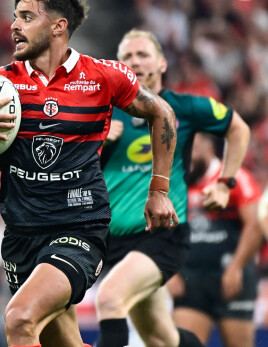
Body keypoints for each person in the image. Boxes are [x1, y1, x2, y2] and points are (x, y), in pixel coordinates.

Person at [0, 0, 178, 347]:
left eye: (26, 17)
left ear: (58, 26)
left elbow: (162, 113)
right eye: (15, 17)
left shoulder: (102, 76)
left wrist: (159, 190)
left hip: (79, 228)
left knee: (19, 319)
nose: (14, 26)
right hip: (21, 235)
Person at [96, 29, 251, 347]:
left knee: (109, 299)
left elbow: (238, 128)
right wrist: (96, 138)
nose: (135, 61)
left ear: (162, 63)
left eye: (143, 54)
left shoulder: (184, 107)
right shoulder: (102, 114)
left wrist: (225, 182)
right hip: (115, 241)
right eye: (127, 56)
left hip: (161, 235)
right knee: (160, 337)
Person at [166, 132, 263, 347]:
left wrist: (236, 267)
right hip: (190, 280)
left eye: (192, 152)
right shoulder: (176, 182)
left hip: (232, 279)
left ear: (208, 149)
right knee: (183, 343)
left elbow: (255, 225)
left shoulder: (233, 178)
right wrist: (170, 272)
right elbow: (163, 231)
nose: (186, 160)